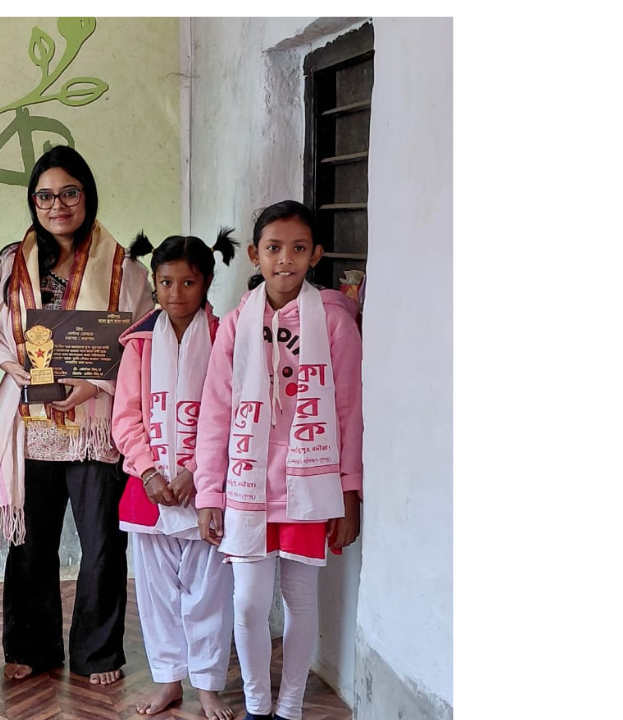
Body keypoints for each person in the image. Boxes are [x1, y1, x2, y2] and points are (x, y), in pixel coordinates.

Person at [0, 145, 152, 685]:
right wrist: (12, 363)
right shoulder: (11, 262)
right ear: (33, 202)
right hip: (30, 423)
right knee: (31, 542)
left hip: (95, 420)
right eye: (45, 196)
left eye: (69, 193)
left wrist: (95, 382)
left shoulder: (126, 267)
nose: (58, 205)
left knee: (102, 544)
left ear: (87, 195)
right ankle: (32, 646)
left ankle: (98, 653)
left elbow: (141, 339)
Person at [193, 201, 363, 720]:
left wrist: (349, 490)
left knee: (299, 597)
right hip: (248, 484)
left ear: (316, 254)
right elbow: (216, 410)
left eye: (297, 248)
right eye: (273, 248)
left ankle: (289, 707)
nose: (285, 258)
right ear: (255, 254)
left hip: (308, 484)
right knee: (248, 602)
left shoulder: (333, 323)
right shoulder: (236, 324)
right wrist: (209, 490)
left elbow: (349, 410)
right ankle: (256, 702)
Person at [111, 231, 238, 718]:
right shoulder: (139, 344)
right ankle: (168, 680)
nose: (176, 293)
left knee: (209, 592)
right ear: (154, 283)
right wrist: (148, 472)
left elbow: (229, 414)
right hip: (151, 490)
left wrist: (196, 472)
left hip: (206, 489)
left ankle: (207, 684)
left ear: (206, 281)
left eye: (188, 282)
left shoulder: (226, 337)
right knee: (156, 593)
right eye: (166, 282)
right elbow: (126, 416)